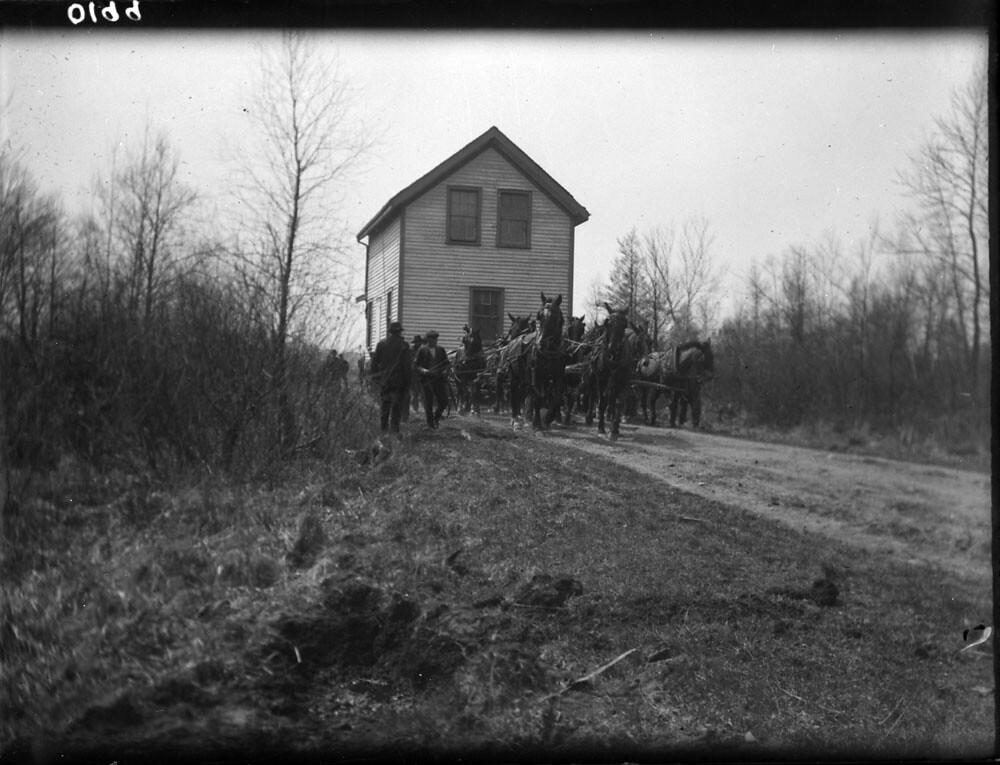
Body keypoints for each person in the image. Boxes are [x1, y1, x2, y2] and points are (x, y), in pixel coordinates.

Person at [369, 321, 412, 436]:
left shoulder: (381, 344)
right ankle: (394, 431)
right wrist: (408, 383)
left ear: (390, 332)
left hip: (385, 381)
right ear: (399, 332)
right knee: (396, 408)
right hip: (399, 382)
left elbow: (374, 365)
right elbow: (407, 366)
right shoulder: (404, 345)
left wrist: (375, 379)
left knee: (385, 406)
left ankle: (383, 430)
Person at [414, 330, 451, 429]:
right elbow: (416, 365)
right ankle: (430, 425)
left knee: (444, 401)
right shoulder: (422, 350)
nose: (433, 341)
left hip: (439, 379)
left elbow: (447, 364)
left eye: (435, 339)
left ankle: (436, 417)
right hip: (427, 380)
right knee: (428, 402)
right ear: (428, 339)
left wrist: (445, 371)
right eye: (431, 338)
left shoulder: (441, 350)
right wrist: (423, 370)